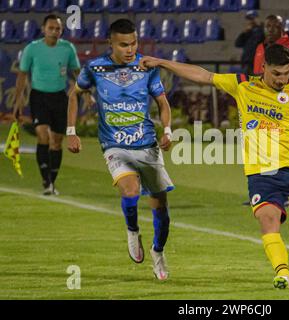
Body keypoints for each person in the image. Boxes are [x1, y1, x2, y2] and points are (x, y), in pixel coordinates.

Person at [139, 44, 289, 289]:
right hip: (262, 173)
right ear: (264, 67)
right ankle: (283, 274)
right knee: (268, 219)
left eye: (286, 73)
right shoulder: (243, 84)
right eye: (277, 74)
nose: (282, 79)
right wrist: (162, 62)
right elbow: (202, 75)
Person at [67, 19, 174, 280]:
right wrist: (71, 131)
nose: (130, 49)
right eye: (123, 44)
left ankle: (158, 252)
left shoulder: (146, 67)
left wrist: (168, 130)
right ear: (110, 43)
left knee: (160, 207)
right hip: (114, 145)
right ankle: (132, 230)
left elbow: (162, 101)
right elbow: (74, 94)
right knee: (130, 189)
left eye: (134, 43)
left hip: (146, 144)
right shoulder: (95, 67)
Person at [13, 14, 87, 195]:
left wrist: (86, 93)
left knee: (56, 141)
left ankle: (51, 181)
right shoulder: (32, 49)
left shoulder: (67, 48)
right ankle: (45, 180)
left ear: (62, 30)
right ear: (43, 29)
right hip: (39, 97)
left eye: (58, 29)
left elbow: (77, 72)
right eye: (51, 28)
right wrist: (18, 101)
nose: (54, 31)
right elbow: (22, 75)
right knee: (42, 136)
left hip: (60, 98)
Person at [253, 15, 289, 86]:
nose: (270, 30)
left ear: (282, 28)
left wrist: (283, 92)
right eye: (268, 26)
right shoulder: (260, 48)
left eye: (275, 26)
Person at [234, 10, 265, 75]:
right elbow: (237, 44)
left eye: (252, 18)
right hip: (246, 62)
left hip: (257, 62)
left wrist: (261, 26)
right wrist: (244, 33)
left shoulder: (262, 30)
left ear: (257, 18)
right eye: (249, 19)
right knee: (246, 82)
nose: (251, 21)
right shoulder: (247, 32)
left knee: (255, 83)